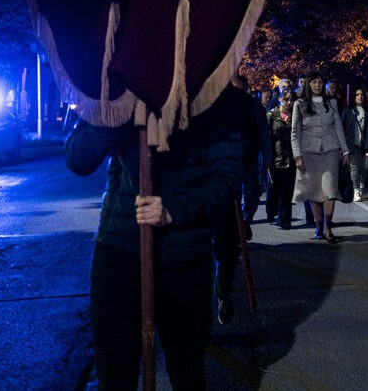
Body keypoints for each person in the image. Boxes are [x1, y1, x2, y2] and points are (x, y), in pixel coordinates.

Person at [64, 90, 243, 389]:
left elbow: (227, 176)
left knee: (187, 374)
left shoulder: (211, 91)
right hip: (119, 251)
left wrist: (173, 210)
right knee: (114, 375)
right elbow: (77, 158)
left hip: (184, 257)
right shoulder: (120, 88)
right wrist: (119, 107)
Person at [213, 74, 267, 325]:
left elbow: (250, 138)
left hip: (225, 180)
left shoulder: (241, 102)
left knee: (226, 244)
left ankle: (223, 292)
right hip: (191, 184)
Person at [292, 71, 350, 243]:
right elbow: (295, 132)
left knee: (330, 190)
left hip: (330, 150)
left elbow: (338, 127)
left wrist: (345, 150)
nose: (317, 85)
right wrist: (297, 155)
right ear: (308, 85)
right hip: (308, 151)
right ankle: (318, 225)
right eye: (314, 82)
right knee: (315, 191)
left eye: (320, 82)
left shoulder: (331, 103)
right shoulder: (300, 104)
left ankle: (328, 227)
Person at [265, 88, 296, 229]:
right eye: (286, 99)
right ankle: (271, 212)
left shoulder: (295, 116)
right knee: (274, 188)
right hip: (275, 158)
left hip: (290, 158)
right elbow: (266, 137)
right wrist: (267, 156)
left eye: (291, 100)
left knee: (287, 191)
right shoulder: (272, 115)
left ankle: (284, 220)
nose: (289, 103)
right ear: (280, 99)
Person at [342, 86, 368, 201]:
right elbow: (342, 128)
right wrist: (343, 147)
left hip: (365, 145)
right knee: (354, 167)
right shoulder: (348, 111)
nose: (360, 97)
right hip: (351, 144)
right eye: (357, 94)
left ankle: (361, 186)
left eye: (362, 94)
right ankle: (356, 190)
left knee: (366, 166)